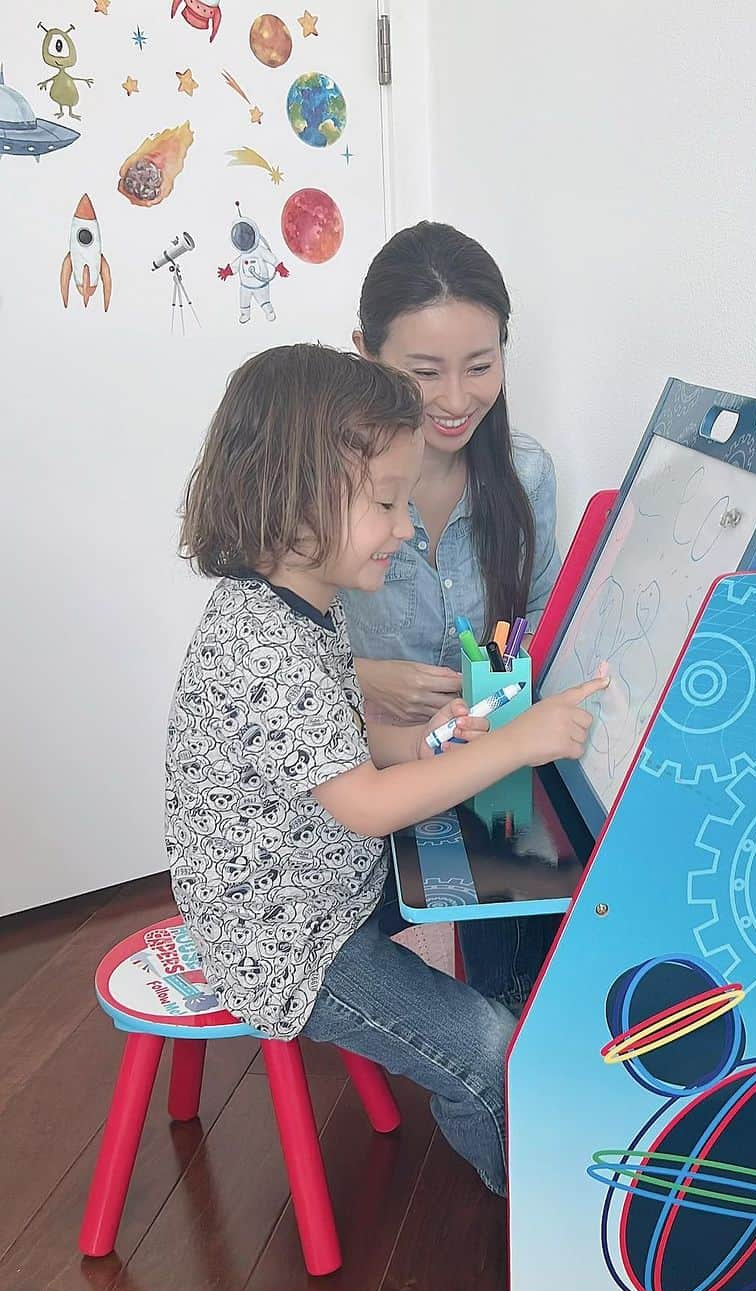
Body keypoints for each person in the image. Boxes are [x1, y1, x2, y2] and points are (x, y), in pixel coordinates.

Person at [166, 344, 606, 1195]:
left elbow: (339, 749)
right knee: (487, 1051)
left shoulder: (293, 608)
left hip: (325, 885)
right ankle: (536, 1211)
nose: (405, 528)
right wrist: (517, 743)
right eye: (385, 503)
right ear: (291, 497)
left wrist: (430, 742)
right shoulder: (264, 647)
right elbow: (364, 806)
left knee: (498, 868)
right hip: (294, 944)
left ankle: (526, 1041)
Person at [344, 221, 563, 1009]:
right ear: (365, 353)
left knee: (536, 896)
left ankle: (520, 1052)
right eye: (423, 372)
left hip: (479, 774)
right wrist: (363, 675)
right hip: (359, 779)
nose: (456, 399)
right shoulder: (326, 488)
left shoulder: (524, 473)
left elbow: (540, 613)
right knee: (325, 954)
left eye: (481, 365)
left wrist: (511, 685)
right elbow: (269, 652)